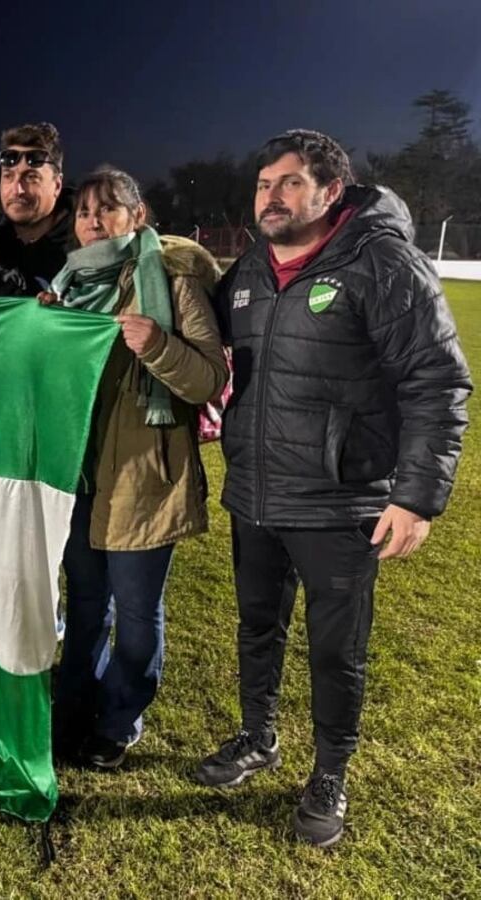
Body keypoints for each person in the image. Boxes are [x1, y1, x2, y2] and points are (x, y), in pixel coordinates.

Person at [194, 129, 472, 848]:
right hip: (254, 492)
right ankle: (258, 737)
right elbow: (198, 329)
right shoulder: (252, 265)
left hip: (339, 500)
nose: (271, 197)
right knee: (257, 628)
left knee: (334, 650)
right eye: (263, 184)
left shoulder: (382, 262)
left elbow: (437, 381)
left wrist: (416, 496)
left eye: (288, 183)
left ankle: (329, 775)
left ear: (330, 191)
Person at [43, 168, 228, 771]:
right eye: (83, 212)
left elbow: (208, 379)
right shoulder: (69, 285)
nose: (93, 220)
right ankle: (71, 710)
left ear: (138, 215)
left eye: (108, 209)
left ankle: (119, 719)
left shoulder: (170, 281)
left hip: (147, 477)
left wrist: (156, 345)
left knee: (138, 617)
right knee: (86, 604)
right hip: (81, 474)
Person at [0, 122, 76, 289]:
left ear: (57, 185)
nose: (18, 189)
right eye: (8, 176)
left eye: (31, 177)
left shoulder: (87, 241)